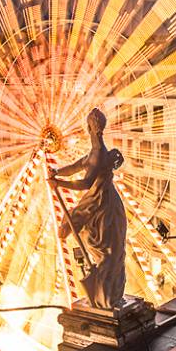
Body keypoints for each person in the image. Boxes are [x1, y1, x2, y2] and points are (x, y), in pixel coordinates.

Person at [48, 108, 127, 309]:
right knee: (108, 250)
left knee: (107, 251)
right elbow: (77, 165)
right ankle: (106, 295)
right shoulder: (96, 151)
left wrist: (59, 184)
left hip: (101, 205)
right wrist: (57, 172)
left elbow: (86, 183)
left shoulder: (99, 153)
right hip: (103, 202)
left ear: (90, 127)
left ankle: (106, 297)